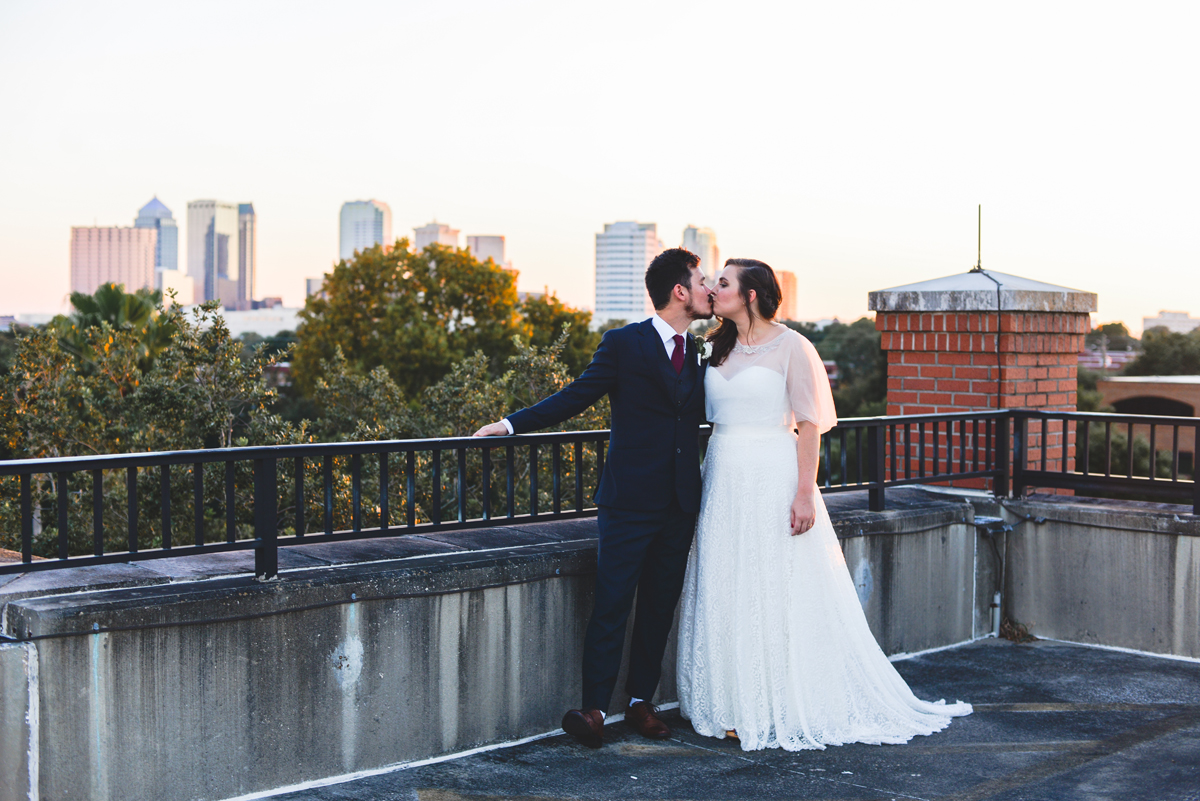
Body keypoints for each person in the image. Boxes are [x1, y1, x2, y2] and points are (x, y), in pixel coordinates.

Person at [677, 258, 972, 751]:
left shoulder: (794, 346)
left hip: (774, 473)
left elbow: (810, 424)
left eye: (723, 283)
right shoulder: (713, 346)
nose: (713, 289)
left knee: (777, 586)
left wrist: (803, 492)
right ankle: (731, 700)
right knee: (729, 581)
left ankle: (783, 698)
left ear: (751, 295)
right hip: (724, 476)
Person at [473, 247, 714, 748]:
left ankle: (640, 703)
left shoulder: (700, 350)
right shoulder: (624, 343)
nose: (711, 287)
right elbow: (576, 395)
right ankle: (595, 709)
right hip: (628, 502)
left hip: (679, 504)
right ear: (680, 291)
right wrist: (512, 423)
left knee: (659, 606)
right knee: (612, 604)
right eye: (704, 279)